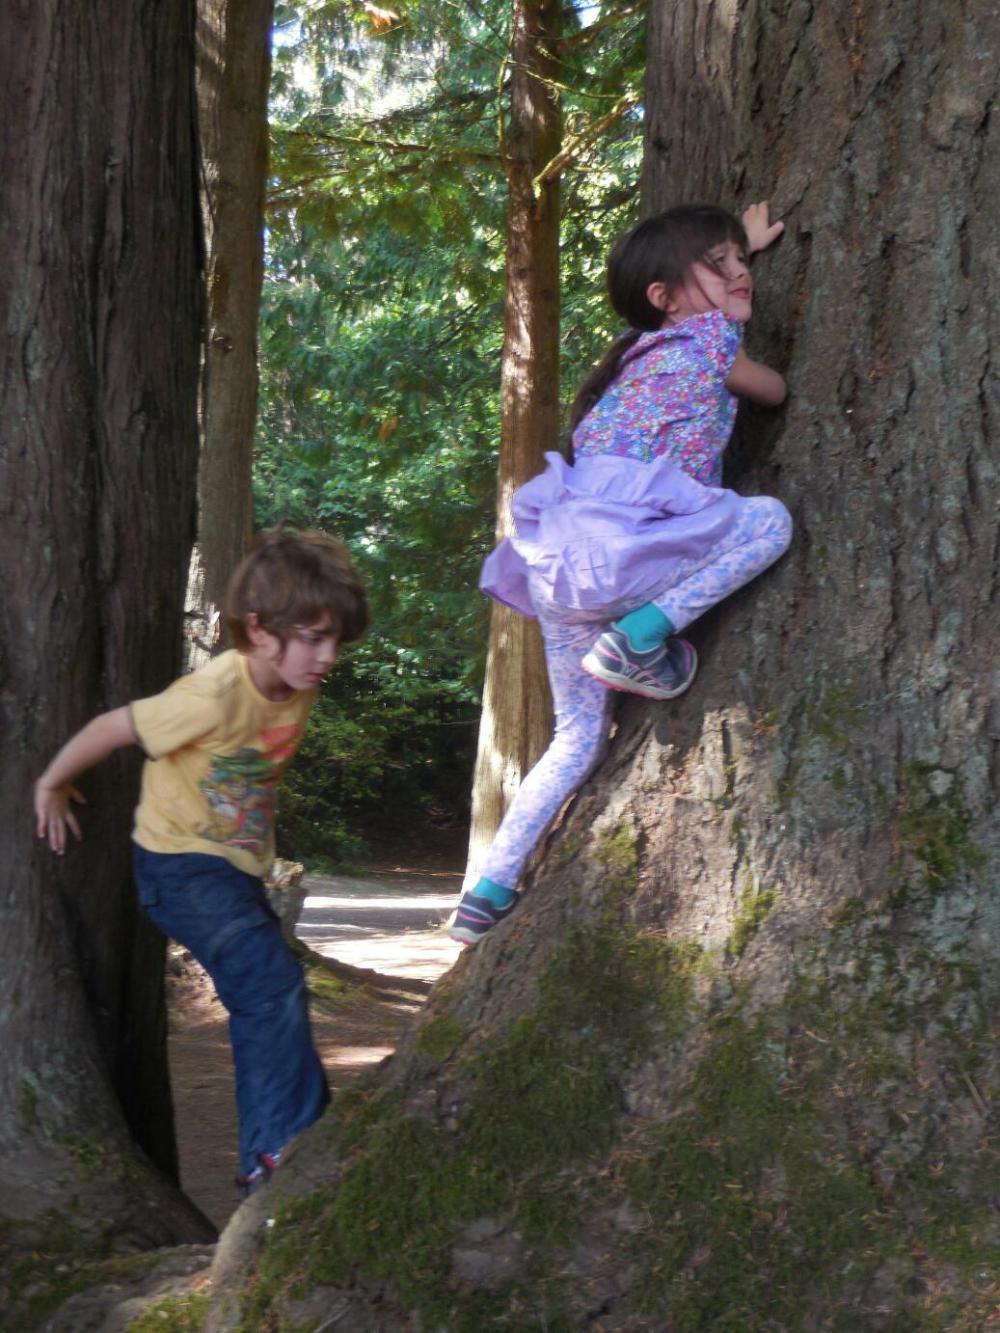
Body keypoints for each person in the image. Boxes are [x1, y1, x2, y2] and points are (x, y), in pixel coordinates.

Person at [451, 202, 792, 946]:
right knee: (770, 521)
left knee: (577, 735)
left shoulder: (633, 359)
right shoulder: (709, 339)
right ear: (664, 297)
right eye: (719, 264)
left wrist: (734, 249)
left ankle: (487, 891)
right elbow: (773, 389)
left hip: (559, 566)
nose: (739, 273)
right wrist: (743, 308)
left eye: (740, 260)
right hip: (625, 560)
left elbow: (699, 289)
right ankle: (641, 635)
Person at [34, 529, 369, 1195]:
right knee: (269, 987)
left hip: (234, 875)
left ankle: (301, 1132)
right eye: (312, 638)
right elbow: (116, 726)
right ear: (259, 629)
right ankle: (274, 1156)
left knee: (275, 990)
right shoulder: (215, 692)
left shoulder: (297, 681)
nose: (328, 656)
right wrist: (51, 783)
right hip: (180, 868)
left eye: (336, 639)